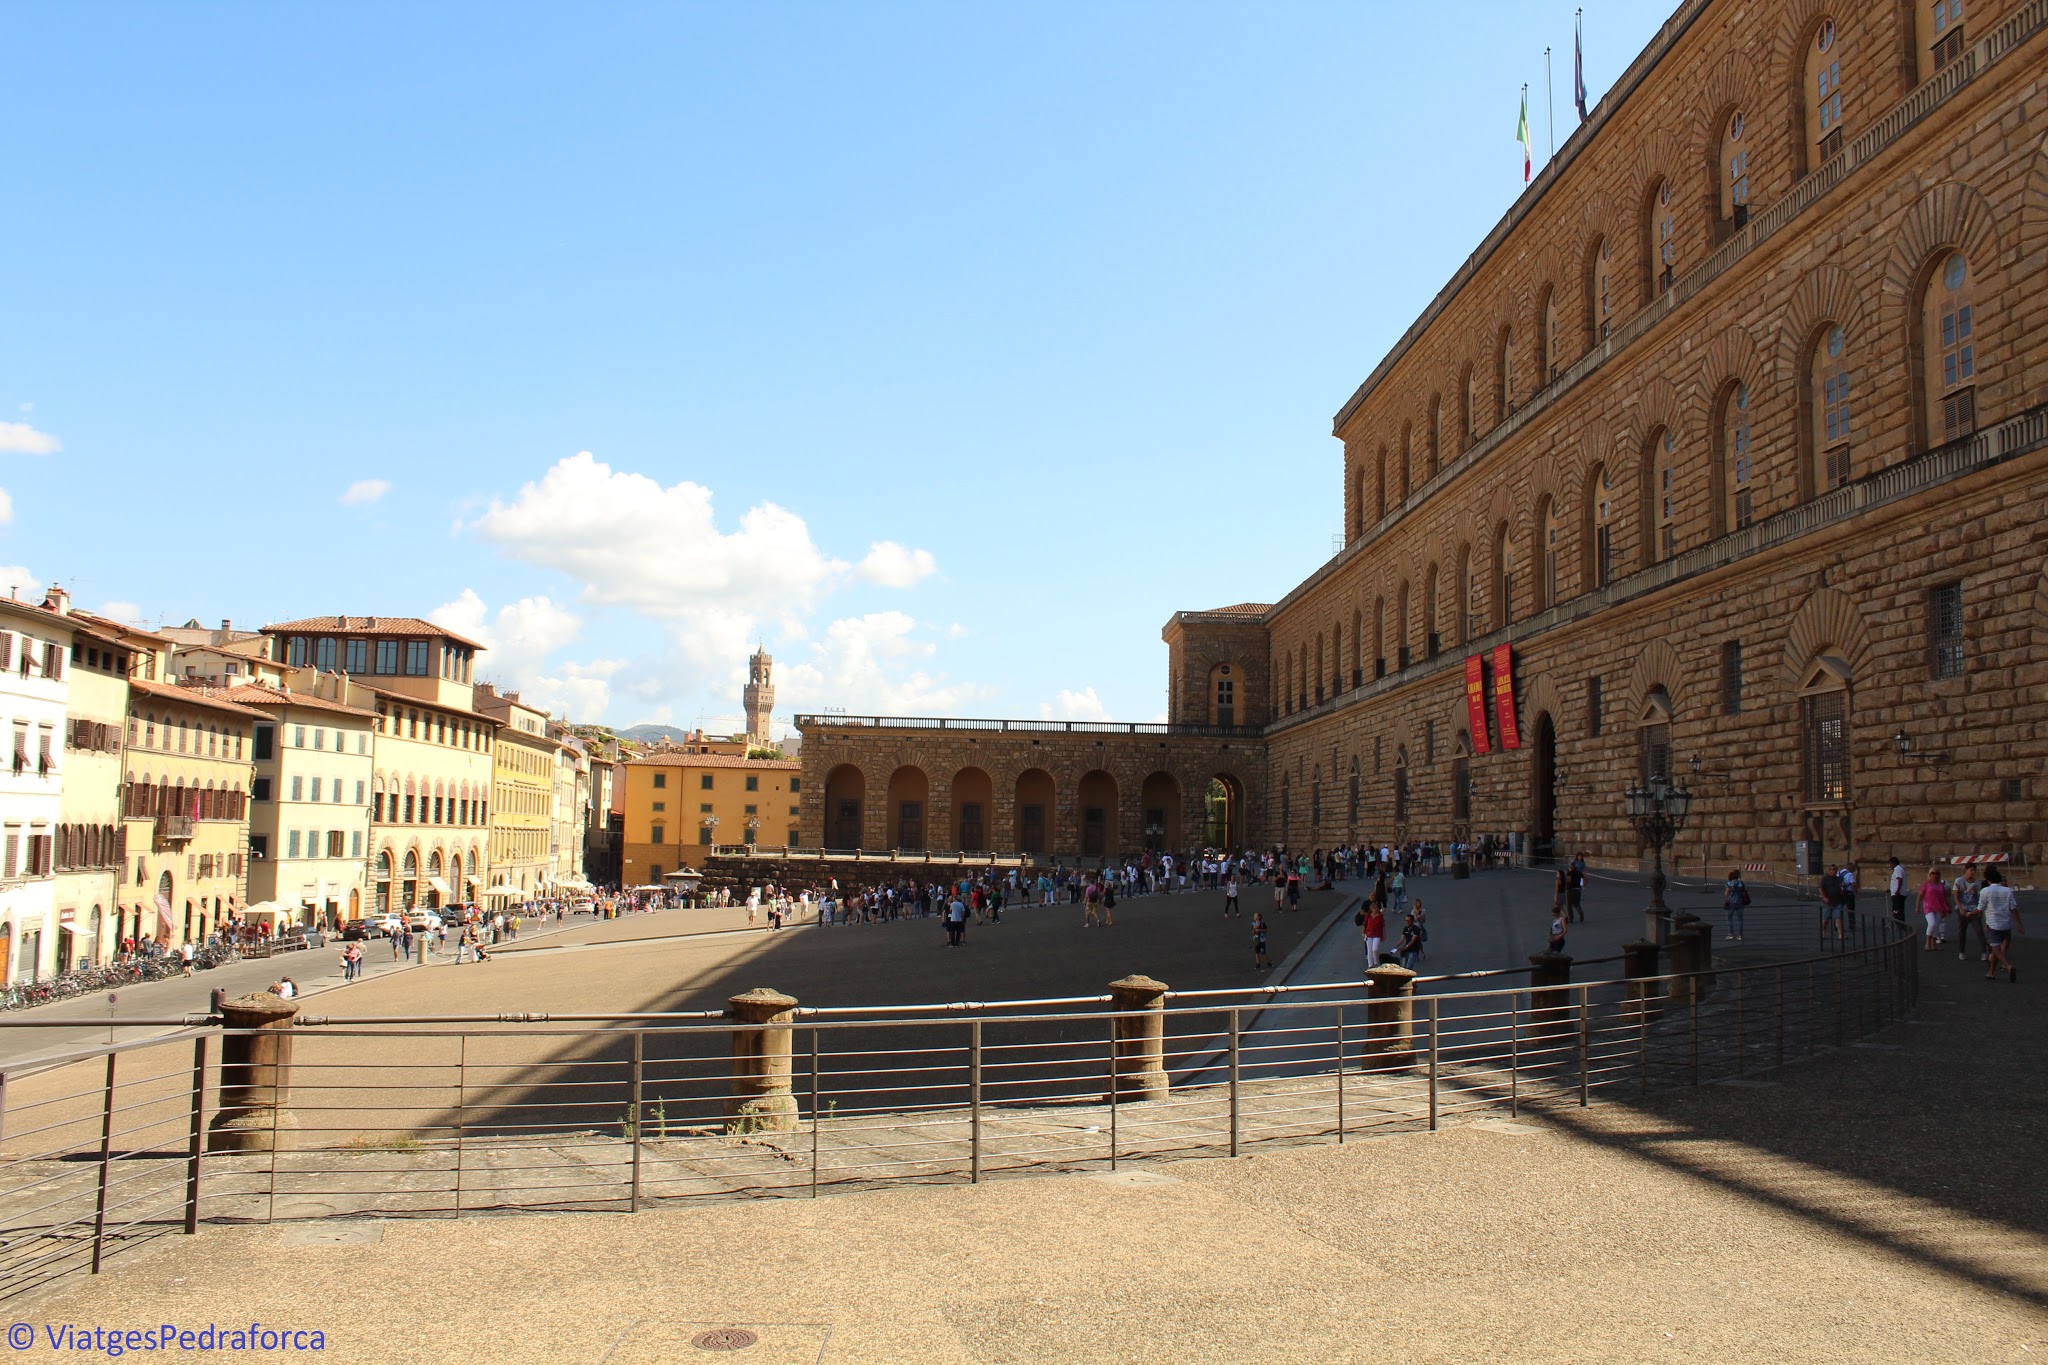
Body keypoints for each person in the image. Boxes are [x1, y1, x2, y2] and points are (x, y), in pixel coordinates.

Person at [1979, 866, 2023, 982]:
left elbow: (1980, 908)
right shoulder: (2007, 890)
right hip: (2006, 923)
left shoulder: (1985, 891)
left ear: (1988, 879)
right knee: (2001, 948)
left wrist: (1969, 914)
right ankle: (1991, 972)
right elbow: (2013, 909)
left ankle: (2008, 966)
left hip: (1994, 924)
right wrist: (2019, 925)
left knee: (1996, 950)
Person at [1952, 865, 1984, 962]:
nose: (1973, 872)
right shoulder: (1959, 881)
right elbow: (1956, 897)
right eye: (1971, 870)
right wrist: (1961, 909)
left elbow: (1980, 897)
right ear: (1966, 870)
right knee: (1962, 931)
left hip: (1974, 909)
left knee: (1979, 930)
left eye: (1974, 870)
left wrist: (1980, 910)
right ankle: (1961, 952)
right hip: (1962, 909)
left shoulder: (1977, 883)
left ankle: (1984, 952)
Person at [1918, 867, 1950, 951]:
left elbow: (1944, 897)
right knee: (1932, 923)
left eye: (1937, 873)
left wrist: (1947, 906)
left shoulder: (1941, 885)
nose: (1935, 875)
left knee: (1936, 925)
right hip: (1929, 906)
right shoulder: (1926, 884)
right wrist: (1917, 906)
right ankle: (1927, 943)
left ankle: (1934, 944)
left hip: (1939, 907)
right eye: (1933, 873)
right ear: (1930, 874)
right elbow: (1920, 895)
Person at [1723, 869, 1750, 942]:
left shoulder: (1729, 883)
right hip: (1740, 903)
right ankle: (1740, 935)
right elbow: (1743, 892)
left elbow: (1726, 894)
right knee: (1740, 919)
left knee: (1729, 918)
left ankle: (1731, 934)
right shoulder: (1741, 883)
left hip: (1731, 903)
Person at [1567, 854, 1586, 923]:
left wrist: (1567, 886)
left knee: (1569, 905)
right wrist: (1581, 886)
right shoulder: (1579, 873)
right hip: (1578, 889)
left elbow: (1569, 880)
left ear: (1570, 867)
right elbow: (1583, 879)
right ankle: (1580, 913)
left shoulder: (1569, 873)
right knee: (1577, 903)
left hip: (1571, 890)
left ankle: (1571, 918)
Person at [1888, 857, 1908, 924]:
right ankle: (1900, 924)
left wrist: (1897, 890)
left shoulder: (1897, 869)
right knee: (1899, 909)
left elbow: (1900, 879)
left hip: (1898, 894)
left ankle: (1900, 924)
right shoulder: (1899, 869)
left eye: (1890, 864)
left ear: (1893, 863)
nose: (1890, 865)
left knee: (1896, 910)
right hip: (1897, 892)